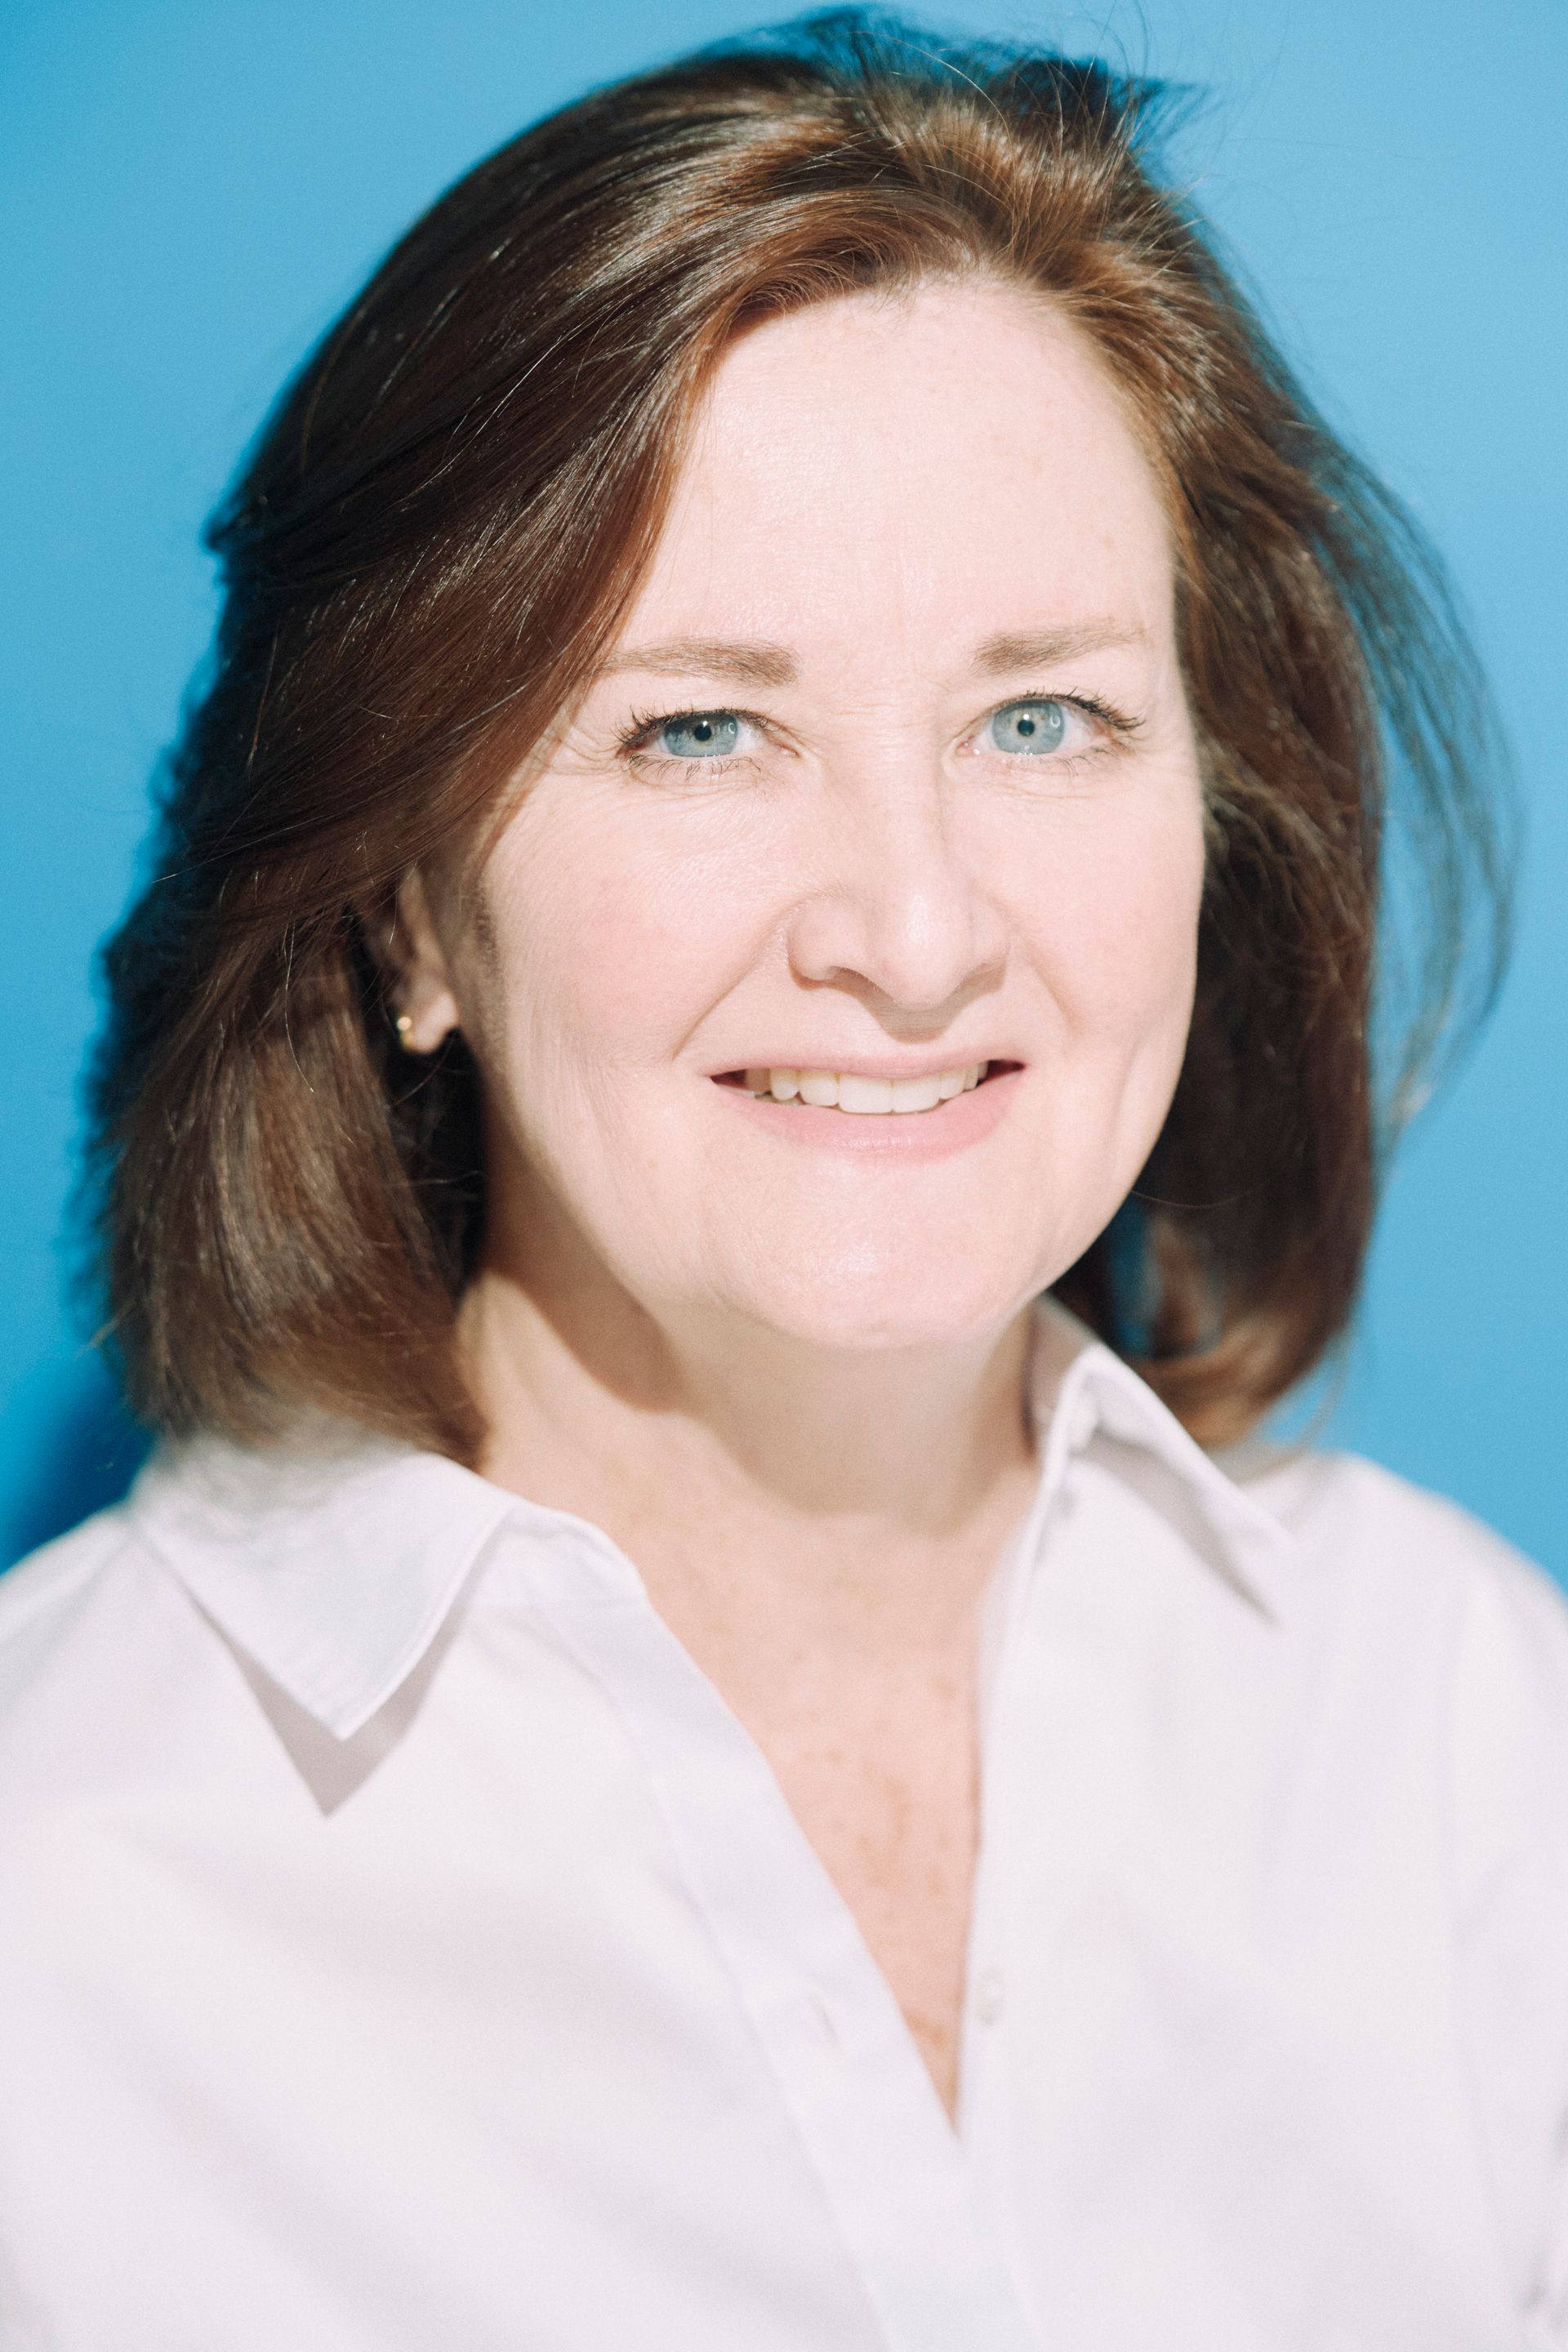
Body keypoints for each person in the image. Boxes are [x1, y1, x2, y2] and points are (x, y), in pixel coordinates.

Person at [1, 14, 1561, 2348]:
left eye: (1044, 719)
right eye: (700, 730)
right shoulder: (58, 1903)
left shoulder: (1454, 1724)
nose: (915, 934)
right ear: (407, 900)